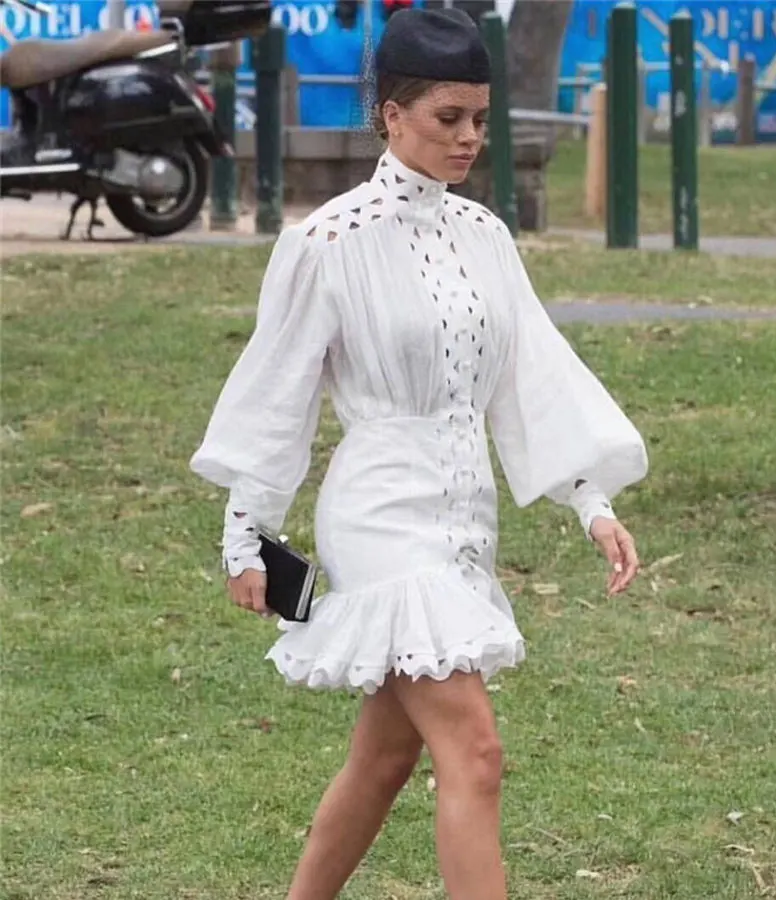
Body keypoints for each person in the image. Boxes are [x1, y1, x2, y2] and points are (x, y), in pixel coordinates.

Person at [189, 8, 648, 899]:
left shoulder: (486, 237)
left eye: (480, 118)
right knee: (475, 751)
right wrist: (245, 536)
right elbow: (276, 395)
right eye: (449, 117)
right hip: (378, 517)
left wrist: (591, 503)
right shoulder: (325, 242)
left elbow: (530, 374)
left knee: (384, 758)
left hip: (465, 522)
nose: (470, 136)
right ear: (391, 115)